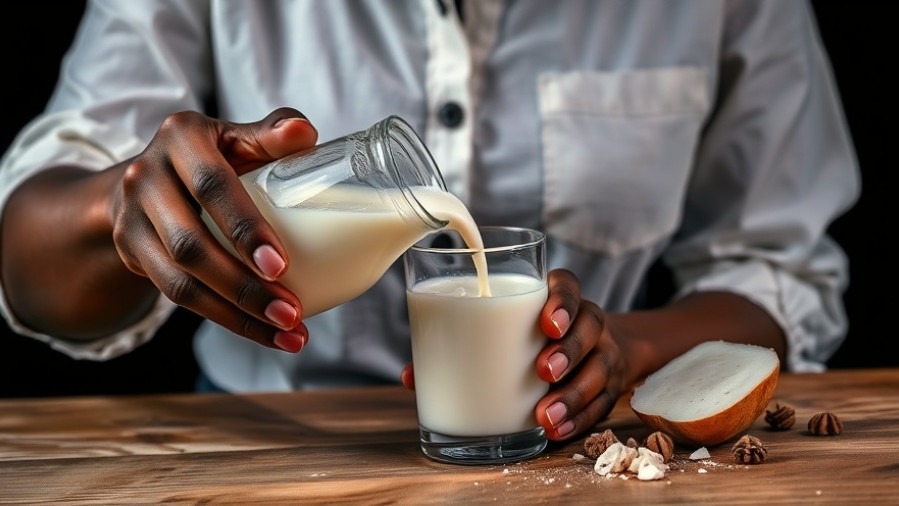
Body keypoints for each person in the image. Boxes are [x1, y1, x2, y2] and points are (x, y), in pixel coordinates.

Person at [0, 0, 859, 442]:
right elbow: (27, 262)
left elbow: (777, 267)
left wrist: (625, 350)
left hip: (552, 459)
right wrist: (118, 205)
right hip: (260, 445)